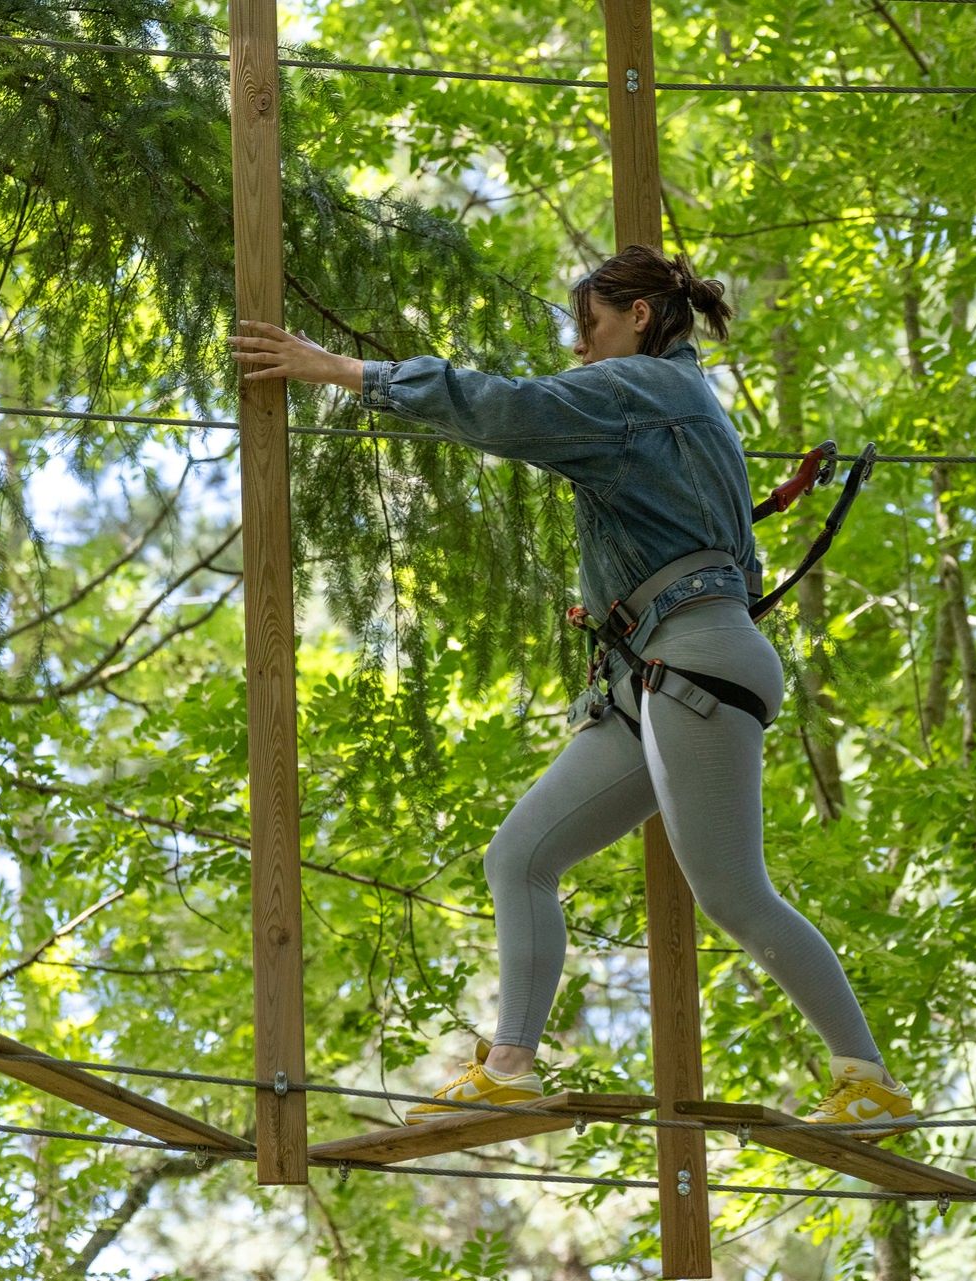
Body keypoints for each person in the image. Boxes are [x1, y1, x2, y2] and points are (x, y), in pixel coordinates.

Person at [228, 245, 913, 1135]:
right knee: (520, 857)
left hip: (692, 664)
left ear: (638, 317)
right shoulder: (687, 404)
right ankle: (510, 1064)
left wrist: (346, 371)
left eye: (589, 328)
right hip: (663, 670)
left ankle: (869, 1082)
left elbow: (509, 408)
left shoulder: (642, 390)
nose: (580, 352)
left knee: (733, 891)